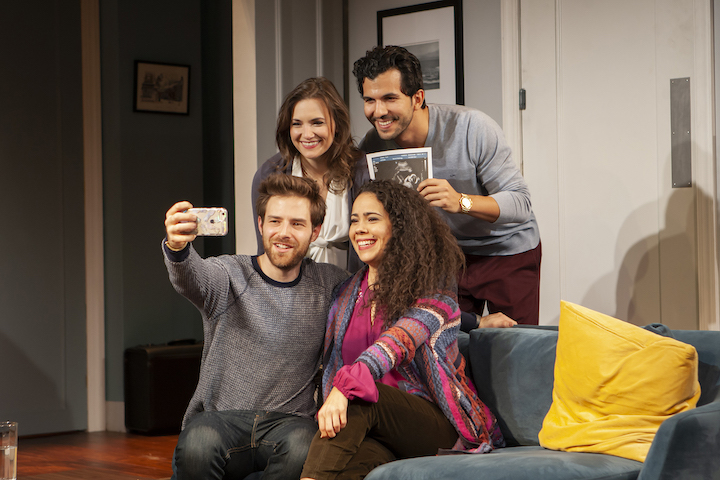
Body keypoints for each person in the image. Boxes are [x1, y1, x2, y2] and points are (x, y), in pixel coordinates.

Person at [299, 181, 506, 480]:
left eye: (372, 219)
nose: (360, 229)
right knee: (347, 469)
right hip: (378, 430)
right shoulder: (344, 294)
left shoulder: (434, 290)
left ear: (399, 227)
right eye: (355, 220)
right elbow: (331, 363)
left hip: (433, 420)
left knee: (358, 393)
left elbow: (399, 341)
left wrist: (346, 387)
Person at [163, 174, 350, 480]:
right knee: (198, 444)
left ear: (315, 231)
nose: (284, 233)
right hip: (221, 421)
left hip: (290, 424)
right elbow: (190, 277)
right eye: (275, 221)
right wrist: (177, 248)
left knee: (306, 447)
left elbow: (373, 291)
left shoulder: (330, 283)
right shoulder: (229, 273)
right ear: (261, 224)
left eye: (297, 224)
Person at [353, 45, 541, 326]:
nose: (379, 111)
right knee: (454, 347)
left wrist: (461, 202)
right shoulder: (372, 145)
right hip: (447, 256)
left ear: (417, 98)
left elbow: (520, 203)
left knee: (514, 348)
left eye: (390, 98)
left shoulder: (472, 127)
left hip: (506, 251)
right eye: (370, 100)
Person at [252, 77, 370, 271]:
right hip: (291, 290)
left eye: (317, 123)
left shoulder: (363, 171)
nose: (307, 134)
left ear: (337, 124)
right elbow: (265, 251)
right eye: (297, 124)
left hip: (353, 289)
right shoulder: (269, 173)